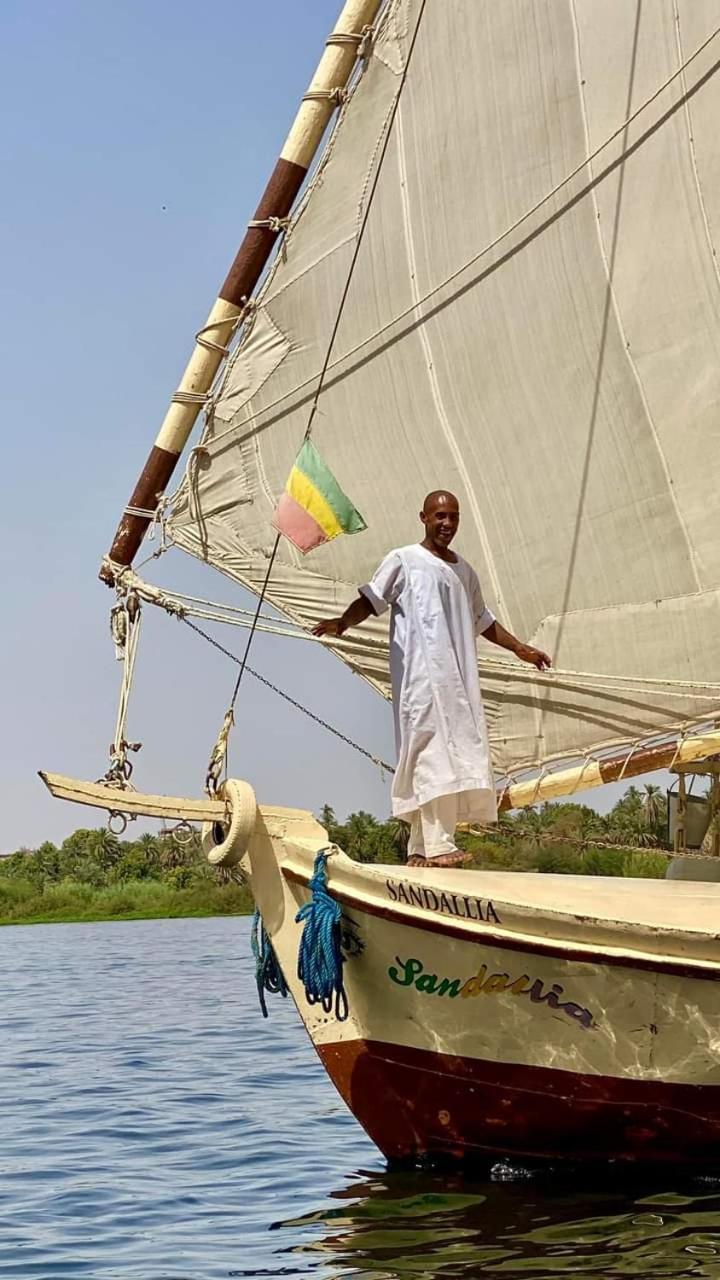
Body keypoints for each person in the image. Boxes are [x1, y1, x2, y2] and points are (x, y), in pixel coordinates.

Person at [313, 491, 551, 868]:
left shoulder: (464, 571)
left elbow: (483, 621)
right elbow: (372, 598)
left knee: (452, 753)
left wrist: (521, 649)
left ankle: (420, 848)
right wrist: (343, 622)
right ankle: (441, 846)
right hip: (421, 681)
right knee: (432, 754)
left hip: (457, 683)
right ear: (423, 517)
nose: (447, 524)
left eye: (453, 517)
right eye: (440, 516)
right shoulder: (405, 560)